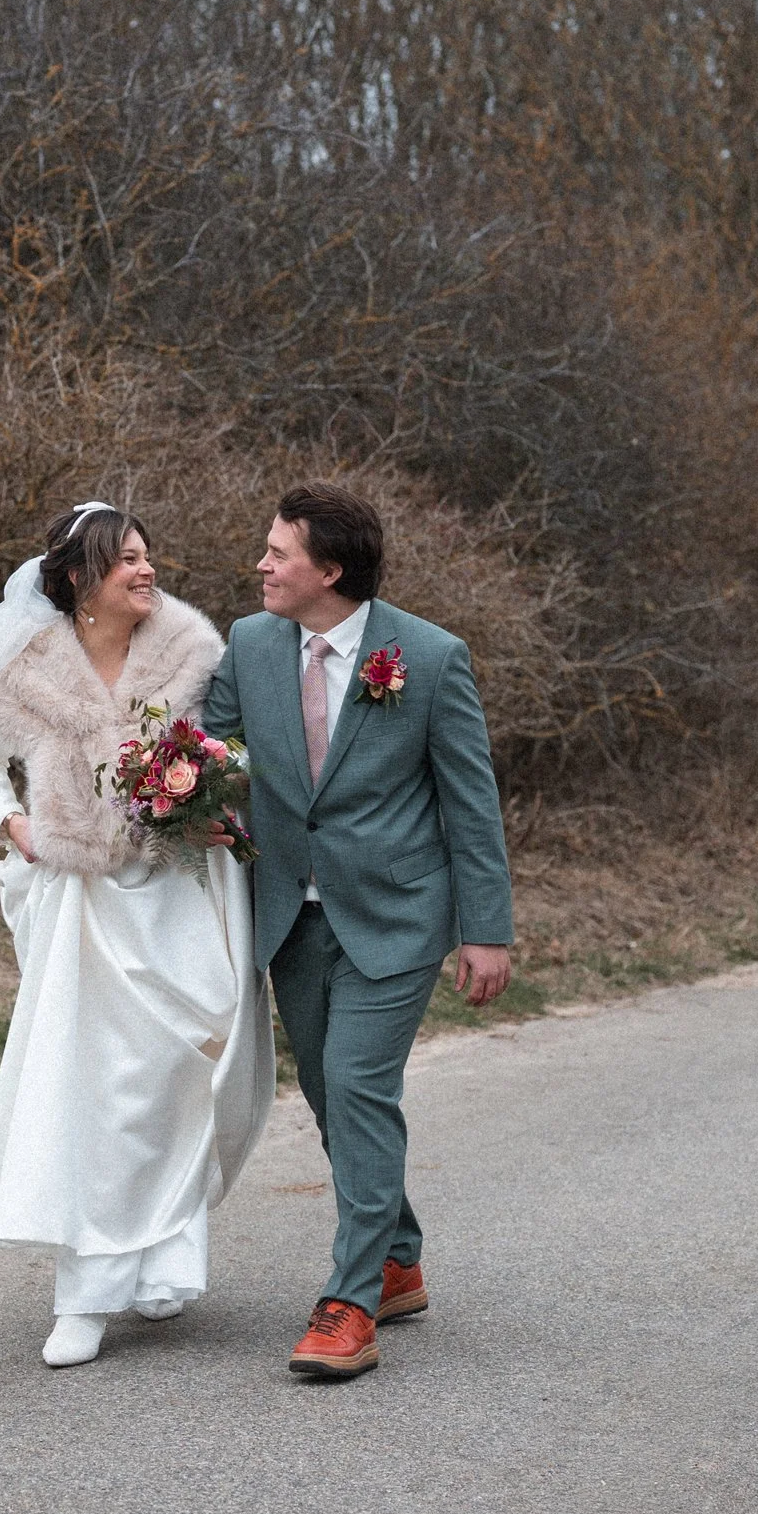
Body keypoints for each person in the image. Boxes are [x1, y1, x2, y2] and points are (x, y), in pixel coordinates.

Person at [0, 501, 274, 1367]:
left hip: (182, 888)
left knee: (184, 1071)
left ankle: (167, 1256)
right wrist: (10, 822)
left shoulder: (193, 652)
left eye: (146, 555)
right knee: (97, 1089)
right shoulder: (25, 667)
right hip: (85, 900)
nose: (146, 569)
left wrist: (216, 793)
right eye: (126, 558)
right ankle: (86, 1295)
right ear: (77, 579)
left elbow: (236, 747)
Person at [204, 484, 513, 1380]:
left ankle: (349, 1302)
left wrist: (485, 930)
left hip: (397, 915)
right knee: (329, 1093)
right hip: (286, 916)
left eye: (278, 553)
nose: (261, 565)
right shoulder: (249, 643)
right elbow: (207, 753)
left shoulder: (430, 657)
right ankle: (398, 1258)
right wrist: (179, 798)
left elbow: (469, 803)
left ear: (329, 571)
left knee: (355, 1083)